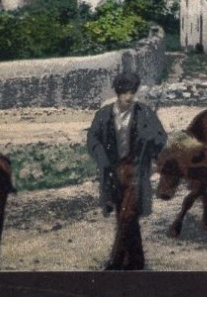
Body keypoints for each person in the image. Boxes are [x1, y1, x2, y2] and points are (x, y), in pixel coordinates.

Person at [87, 70, 167, 271]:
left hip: (136, 171)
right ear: (118, 93)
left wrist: (152, 138)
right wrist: (103, 161)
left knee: (127, 214)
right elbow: (93, 140)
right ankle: (136, 261)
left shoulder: (145, 113)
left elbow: (161, 139)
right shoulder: (104, 115)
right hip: (112, 171)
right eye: (125, 92)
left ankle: (115, 262)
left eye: (132, 92)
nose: (129, 97)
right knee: (122, 215)